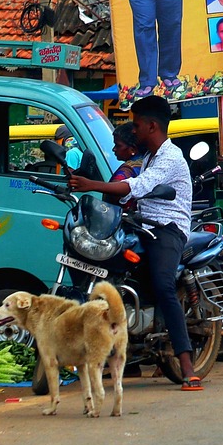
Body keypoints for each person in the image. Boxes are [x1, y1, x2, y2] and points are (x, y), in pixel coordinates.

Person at [68, 96, 202, 390]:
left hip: (168, 229)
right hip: (142, 225)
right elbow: (128, 192)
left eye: (137, 125)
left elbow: (138, 186)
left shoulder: (170, 157)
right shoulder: (148, 156)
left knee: (163, 285)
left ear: (152, 126)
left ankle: (187, 364)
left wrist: (91, 185)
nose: (134, 130)